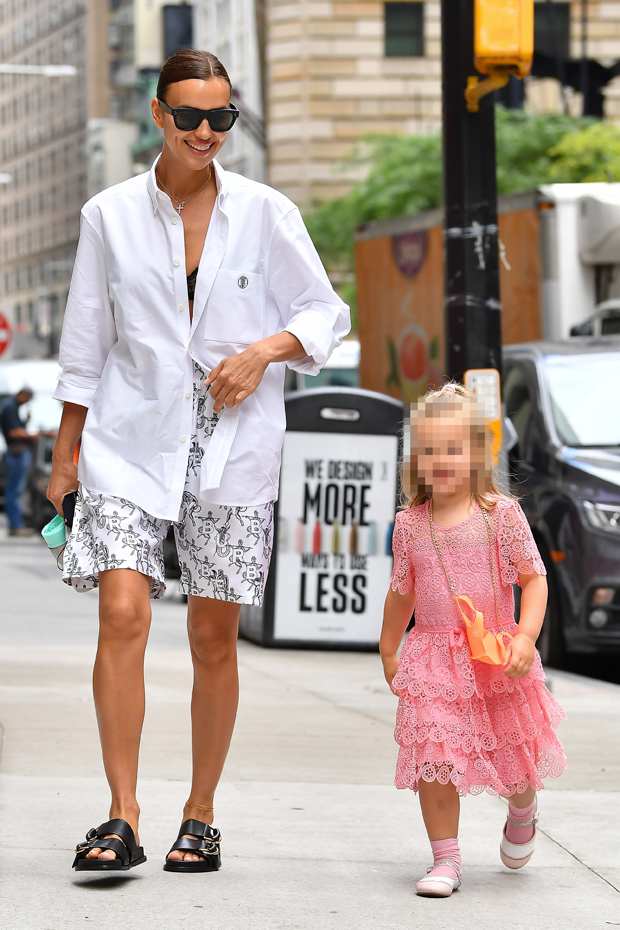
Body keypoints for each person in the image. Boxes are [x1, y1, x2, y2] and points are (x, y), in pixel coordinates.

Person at [47, 48, 349, 874]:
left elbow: (326, 311)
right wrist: (66, 452)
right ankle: (122, 814)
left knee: (214, 636)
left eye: (222, 118)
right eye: (190, 117)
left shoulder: (267, 212)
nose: (207, 132)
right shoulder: (107, 214)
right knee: (122, 616)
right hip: (128, 440)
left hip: (231, 448)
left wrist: (266, 350)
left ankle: (201, 812)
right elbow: (85, 343)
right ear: (157, 114)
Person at [379, 383, 566, 897]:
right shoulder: (410, 525)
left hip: (499, 658)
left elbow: (533, 578)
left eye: (453, 449)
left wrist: (526, 637)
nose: (441, 461)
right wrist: (390, 647)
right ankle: (446, 859)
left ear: (478, 453)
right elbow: (402, 591)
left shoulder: (501, 516)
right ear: (415, 459)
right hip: (434, 659)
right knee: (435, 758)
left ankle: (523, 807)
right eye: (430, 451)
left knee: (515, 760)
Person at [0, 387, 38, 537]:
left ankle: (16, 525)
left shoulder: (11, 406)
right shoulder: (10, 406)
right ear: (23, 395)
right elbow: (14, 432)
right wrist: (34, 435)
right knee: (14, 491)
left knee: (15, 490)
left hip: (16, 452)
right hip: (16, 452)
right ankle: (16, 525)